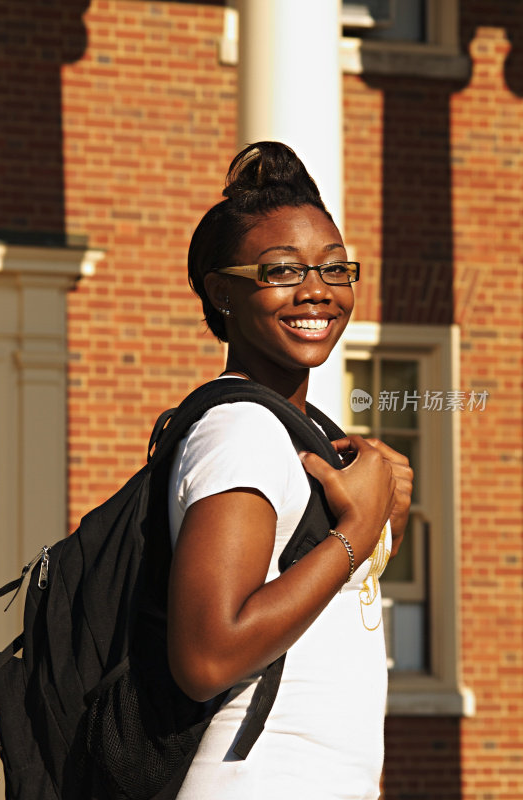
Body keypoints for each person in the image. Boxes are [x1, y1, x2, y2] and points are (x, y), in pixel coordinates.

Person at [166, 142, 413, 800]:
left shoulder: (293, 433)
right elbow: (207, 656)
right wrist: (355, 533)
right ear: (222, 290)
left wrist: (383, 520)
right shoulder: (240, 433)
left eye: (336, 270)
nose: (317, 292)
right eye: (281, 270)